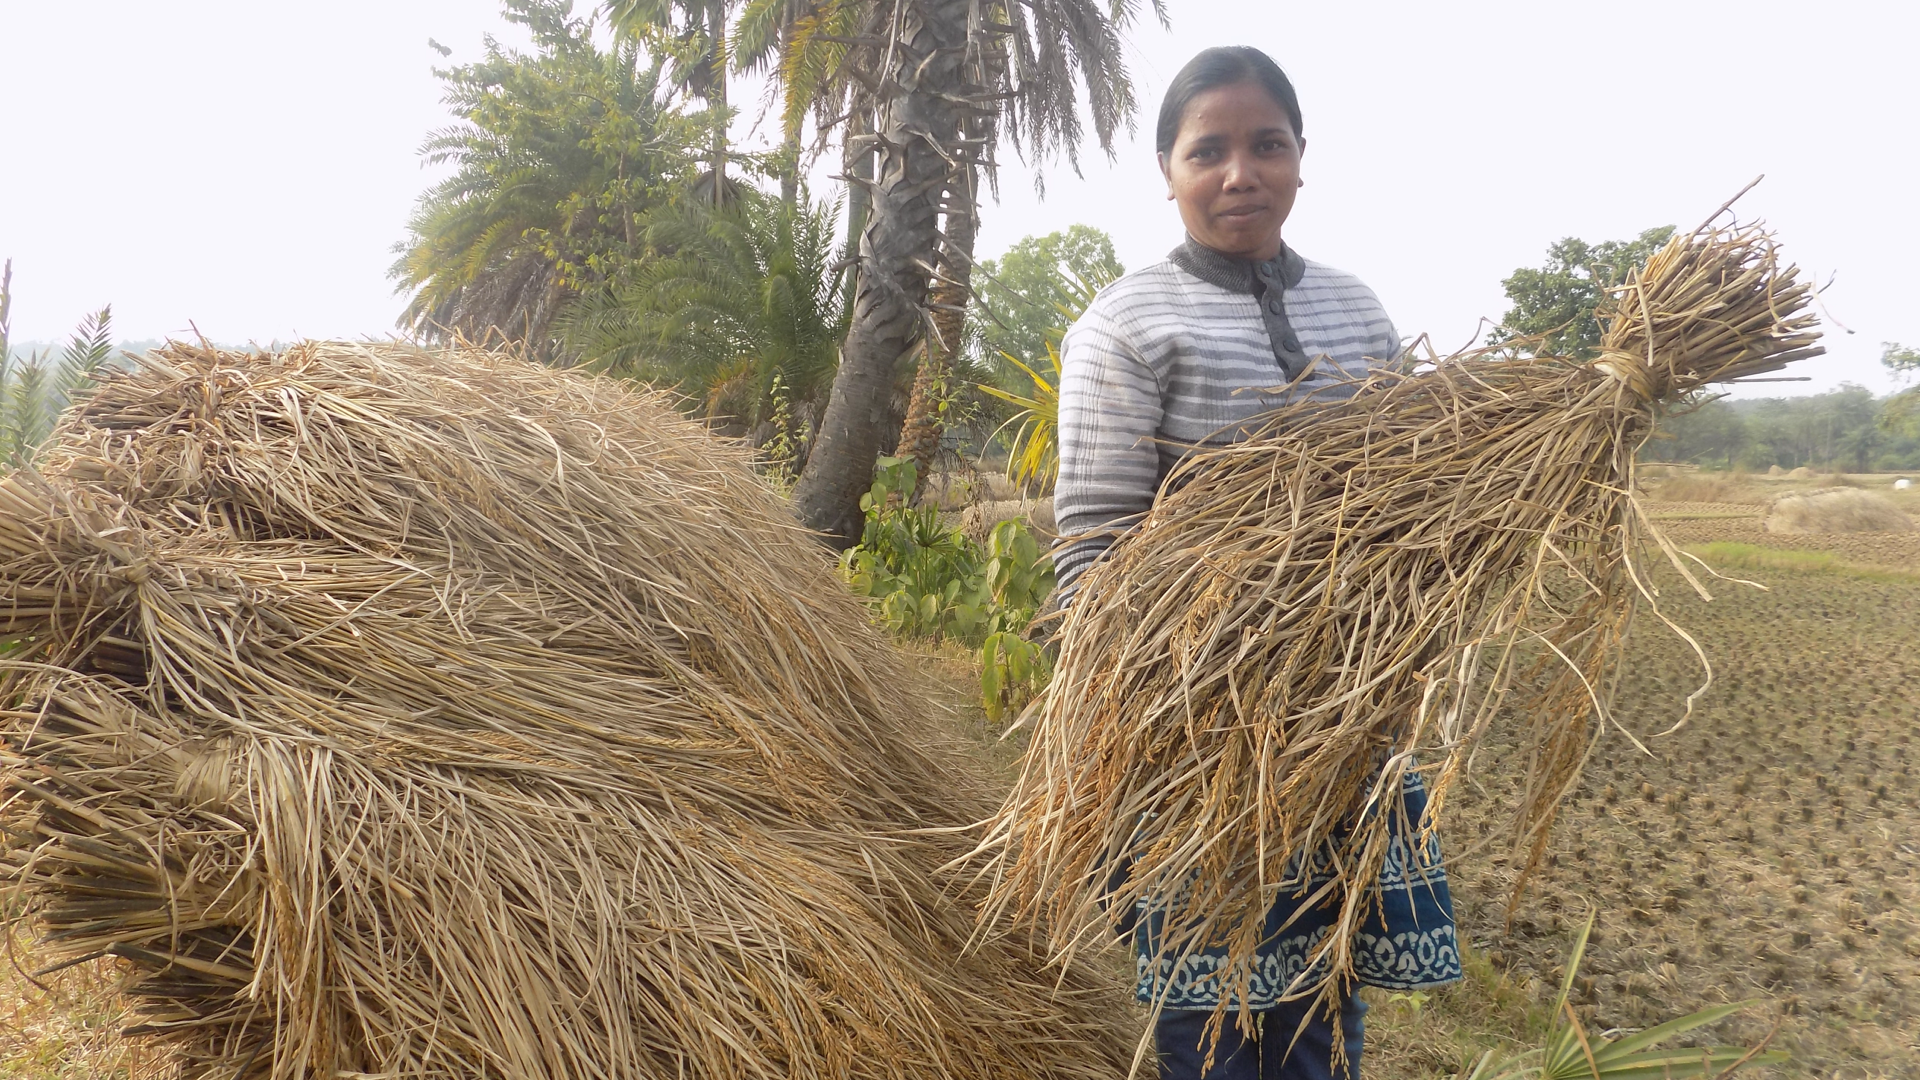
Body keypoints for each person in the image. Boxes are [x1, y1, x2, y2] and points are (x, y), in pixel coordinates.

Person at [1050, 46, 1462, 1080]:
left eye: (1266, 145)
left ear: (1300, 159)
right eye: (1210, 150)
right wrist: (1141, 713)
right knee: (1220, 1012)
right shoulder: (1126, 325)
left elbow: (1409, 503)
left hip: (1347, 717)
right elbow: (1096, 539)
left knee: (1325, 992)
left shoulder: (1359, 311)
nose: (1242, 172)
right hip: (1202, 730)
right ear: (1168, 170)